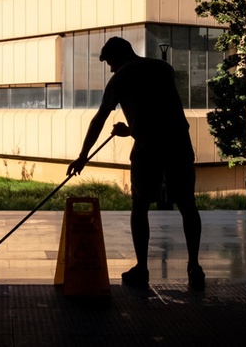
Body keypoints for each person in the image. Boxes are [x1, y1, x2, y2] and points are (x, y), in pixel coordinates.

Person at [66, 36, 205, 290]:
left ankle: (142, 268)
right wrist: (131, 130)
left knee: (140, 206)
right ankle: (194, 266)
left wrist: (83, 155)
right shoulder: (164, 69)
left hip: (147, 149)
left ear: (118, 57)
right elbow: (160, 113)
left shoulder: (121, 78)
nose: (109, 68)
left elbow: (100, 118)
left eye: (109, 62)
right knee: (187, 204)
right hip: (178, 143)